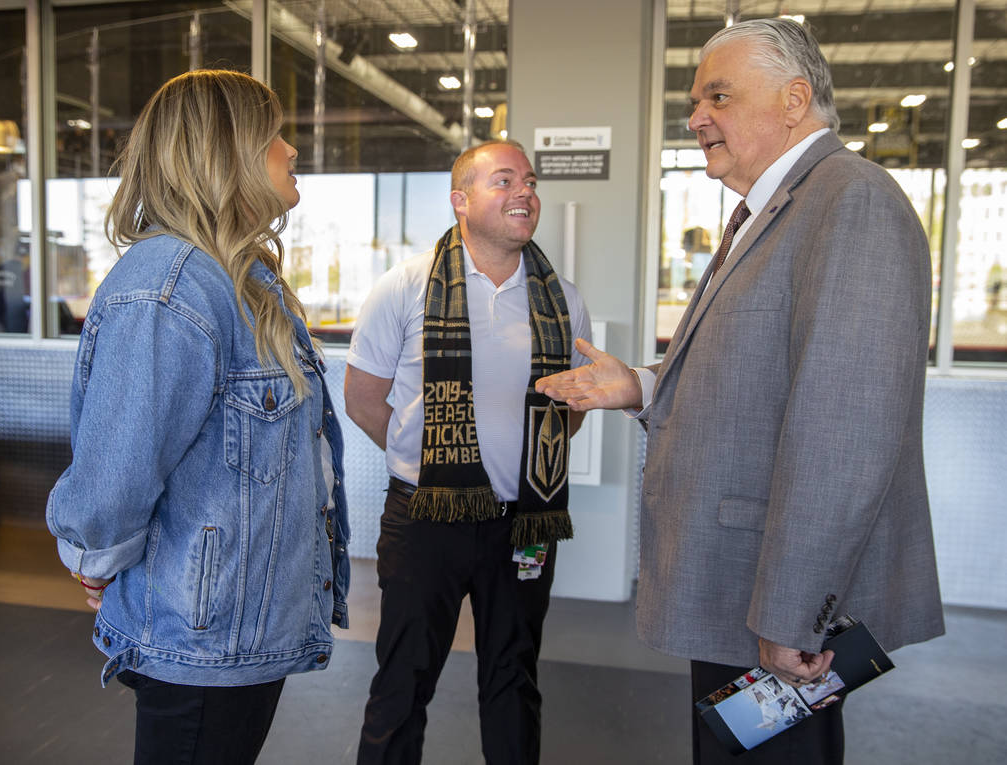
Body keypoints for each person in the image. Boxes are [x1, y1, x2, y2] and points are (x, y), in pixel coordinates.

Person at [536, 18, 944, 765]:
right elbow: (754, 383)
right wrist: (640, 385)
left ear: (795, 100)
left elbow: (845, 431)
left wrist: (795, 612)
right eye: (696, 100)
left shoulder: (850, 202)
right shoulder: (773, 209)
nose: (696, 118)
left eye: (718, 95)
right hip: (741, 585)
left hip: (777, 604)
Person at [46, 70, 350, 765]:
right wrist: (93, 556)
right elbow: (112, 480)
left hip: (234, 629)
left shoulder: (238, 280)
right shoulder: (170, 285)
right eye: (274, 136)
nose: (291, 151)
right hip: (199, 638)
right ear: (227, 152)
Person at [346, 138, 592, 764]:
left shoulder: (563, 299)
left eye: (529, 181)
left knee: (514, 681)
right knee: (402, 681)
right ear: (460, 200)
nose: (524, 194)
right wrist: (426, 462)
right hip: (424, 518)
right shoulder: (404, 289)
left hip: (524, 523)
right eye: (503, 181)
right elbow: (364, 400)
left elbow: (570, 413)